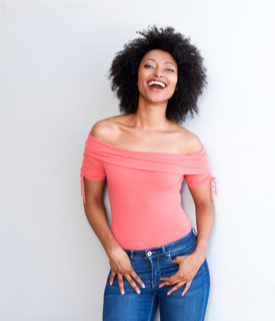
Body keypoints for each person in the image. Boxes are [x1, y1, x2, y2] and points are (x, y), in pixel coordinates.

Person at [80, 25, 215, 321]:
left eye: (169, 69)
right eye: (149, 66)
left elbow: (205, 203)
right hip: (126, 265)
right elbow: (91, 201)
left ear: (179, 83)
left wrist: (199, 254)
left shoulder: (188, 144)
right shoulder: (104, 134)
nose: (159, 74)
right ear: (135, 75)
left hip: (182, 262)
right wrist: (112, 250)